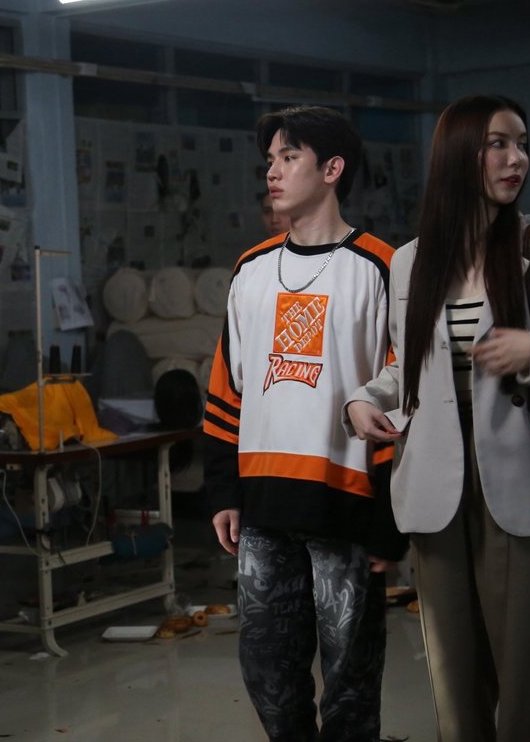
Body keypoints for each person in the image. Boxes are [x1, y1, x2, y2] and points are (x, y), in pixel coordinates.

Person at [345, 95, 530, 742]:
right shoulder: (410, 261)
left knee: (527, 675)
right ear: (458, 155)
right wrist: (363, 398)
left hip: (520, 483)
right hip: (433, 487)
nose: (516, 159)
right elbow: (408, 369)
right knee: (453, 679)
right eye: (498, 143)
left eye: (522, 144)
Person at [203, 104, 405, 742]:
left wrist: (387, 519)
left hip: (346, 506)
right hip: (263, 506)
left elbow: (402, 395)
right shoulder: (251, 270)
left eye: (289, 157)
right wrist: (224, 490)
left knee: (351, 684)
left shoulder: (382, 267)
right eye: (270, 159)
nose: (273, 171)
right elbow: (227, 388)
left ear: (332, 169)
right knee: (268, 674)